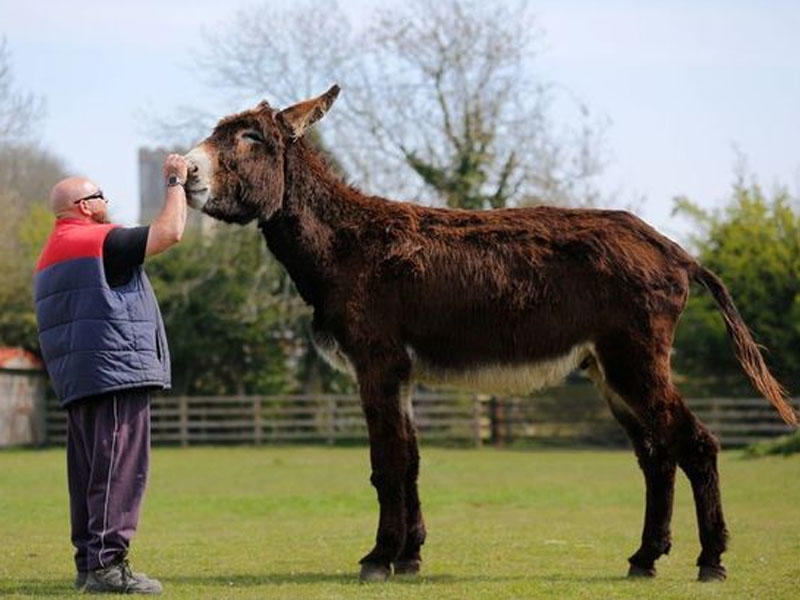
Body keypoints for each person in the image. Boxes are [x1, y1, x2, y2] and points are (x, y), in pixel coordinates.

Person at [33, 155, 189, 594]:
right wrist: (175, 182)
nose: (106, 200)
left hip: (78, 378)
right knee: (119, 469)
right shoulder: (98, 241)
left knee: (88, 474)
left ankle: (88, 565)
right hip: (115, 371)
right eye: (100, 194)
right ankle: (107, 566)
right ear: (84, 205)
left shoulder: (50, 254)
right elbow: (170, 232)